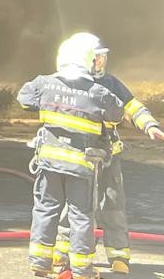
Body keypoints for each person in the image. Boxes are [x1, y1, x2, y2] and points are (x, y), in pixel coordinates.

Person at [52, 32, 164, 275]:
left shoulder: (111, 83)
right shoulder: (66, 85)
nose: (101, 64)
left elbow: (132, 106)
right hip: (78, 158)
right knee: (75, 206)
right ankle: (61, 254)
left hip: (108, 157)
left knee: (113, 202)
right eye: (97, 59)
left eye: (103, 59)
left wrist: (150, 126)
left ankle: (119, 255)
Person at [18, 32, 123, 279]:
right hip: (80, 167)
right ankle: (82, 271)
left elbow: (24, 98)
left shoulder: (44, 83)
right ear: (86, 59)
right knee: (82, 217)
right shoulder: (97, 92)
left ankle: (40, 263)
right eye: (96, 58)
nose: (99, 63)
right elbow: (116, 114)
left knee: (45, 210)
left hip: (49, 164)